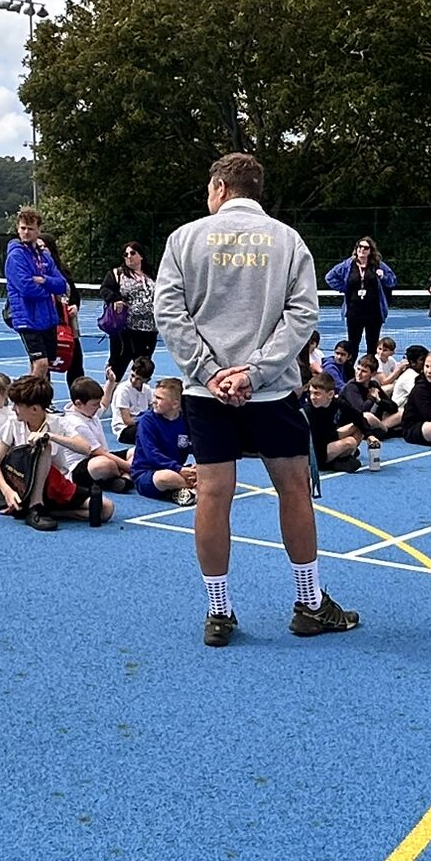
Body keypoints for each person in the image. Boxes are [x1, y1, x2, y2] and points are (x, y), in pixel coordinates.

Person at [155, 153, 359, 647]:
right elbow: (302, 315)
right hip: (272, 393)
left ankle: (219, 612)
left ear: (220, 187)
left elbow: (169, 312)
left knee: (212, 494)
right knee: (293, 491)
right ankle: (309, 604)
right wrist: (257, 371)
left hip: (207, 394)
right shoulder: (288, 241)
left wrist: (212, 371)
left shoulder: (184, 239)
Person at [0, 373, 114, 530]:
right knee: (43, 447)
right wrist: (7, 491)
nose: (13, 409)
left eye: (17, 405)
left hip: (55, 485)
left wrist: (50, 435)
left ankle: (53, 511)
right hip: (25, 484)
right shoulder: (13, 424)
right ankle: (35, 506)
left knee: (106, 509)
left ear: (34, 409)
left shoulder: (59, 422)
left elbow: (85, 447)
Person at [4, 210, 69, 379]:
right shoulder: (16, 255)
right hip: (27, 317)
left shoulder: (44, 256)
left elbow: (61, 284)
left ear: (38, 230)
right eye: (23, 228)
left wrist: (44, 280)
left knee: (46, 365)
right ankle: (28, 400)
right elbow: (26, 288)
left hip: (47, 317)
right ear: (18, 229)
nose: (26, 232)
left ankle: (41, 401)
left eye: (31, 229)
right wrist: (48, 290)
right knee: (41, 363)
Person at [98, 241, 160, 403]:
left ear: (141, 255)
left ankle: (138, 396)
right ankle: (106, 397)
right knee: (119, 360)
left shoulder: (151, 274)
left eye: (132, 253)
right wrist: (116, 299)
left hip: (149, 328)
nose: (129, 257)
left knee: (143, 364)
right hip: (126, 327)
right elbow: (105, 289)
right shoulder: (117, 274)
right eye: (126, 254)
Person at [324, 236, 396, 360]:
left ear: (370, 251)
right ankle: (350, 373)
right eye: (360, 247)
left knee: (372, 345)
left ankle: (370, 372)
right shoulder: (348, 265)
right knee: (353, 345)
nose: (362, 250)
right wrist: (343, 288)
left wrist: (383, 276)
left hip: (374, 313)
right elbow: (330, 277)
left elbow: (392, 281)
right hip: (354, 312)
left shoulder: (378, 265)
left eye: (366, 248)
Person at [130, 378, 199, 505]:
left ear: (175, 404)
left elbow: (197, 446)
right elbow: (152, 454)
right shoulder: (147, 421)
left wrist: (198, 466)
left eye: (159, 398)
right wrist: (178, 469)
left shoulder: (186, 422)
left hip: (176, 469)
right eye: (155, 396)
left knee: (212, 472)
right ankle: (194, 489)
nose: (154, 401)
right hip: (147, 474)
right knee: (166, 477)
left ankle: (179, 491)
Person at [39, 233, 88, 392]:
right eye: (38, 247)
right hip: (45, 325)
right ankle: (44, 401)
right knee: (43, 365)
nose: (41, 250)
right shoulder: (35, 270)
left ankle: (79, 397)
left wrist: (74, 306)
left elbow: (74, 295)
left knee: (75, 362)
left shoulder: (63, 272)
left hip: (68, 327)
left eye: (44, 247)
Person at [304, 373, 372, 472]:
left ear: (330, 394)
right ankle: (333, 463)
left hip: (328, 438)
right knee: (350, 442)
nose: (312, 397)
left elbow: (358, 417)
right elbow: (316, 440)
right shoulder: (308, 411)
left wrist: (370, 435)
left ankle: (343, 457)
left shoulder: (338, 404)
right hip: (315, 451)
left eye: (317, 393)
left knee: (357, 427)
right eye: (311, 393)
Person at [339, 355, 401, 438]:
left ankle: (382, 428)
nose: (359, 374)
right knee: (368, 416)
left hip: (373, 421)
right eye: (358, 369)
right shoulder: (351, 387)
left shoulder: (373, 385)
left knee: (401, 412)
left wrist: (379, 401)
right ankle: (386, 430)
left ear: (373, 373)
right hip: (351, 423)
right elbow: (361, 411)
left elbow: (394, 407)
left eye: (364, 371)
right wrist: (372, 398)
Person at [112, 356, 155, 444]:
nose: (133, 380)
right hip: (125, 429)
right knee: (150, 432)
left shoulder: (147, 390)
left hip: (141, 423)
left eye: (138, 379)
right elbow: (127, 420)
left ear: (147, 380)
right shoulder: (123, 390)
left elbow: (154, 408)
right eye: (132, 375)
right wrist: (148, 420)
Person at [388, 343, 430, 411]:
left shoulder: (419, 374)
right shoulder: (410, 376)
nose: (426, 362)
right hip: (399, 411)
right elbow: (420, 395)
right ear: (412, 362)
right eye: (422, 360)